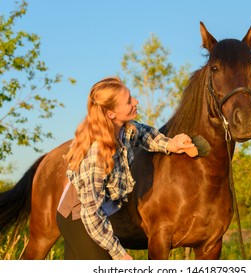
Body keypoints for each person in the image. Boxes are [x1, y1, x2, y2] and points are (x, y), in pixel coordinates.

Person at [56, 77, 194, 260]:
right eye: (129, 101)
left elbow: (145, 134)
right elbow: (91, 214)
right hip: (79, 219)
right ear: (111, 114)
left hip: (96, 214)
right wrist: (119, 254)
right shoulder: (96, 154)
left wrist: (171, 144)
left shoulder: (125, 129)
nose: (135, 102)